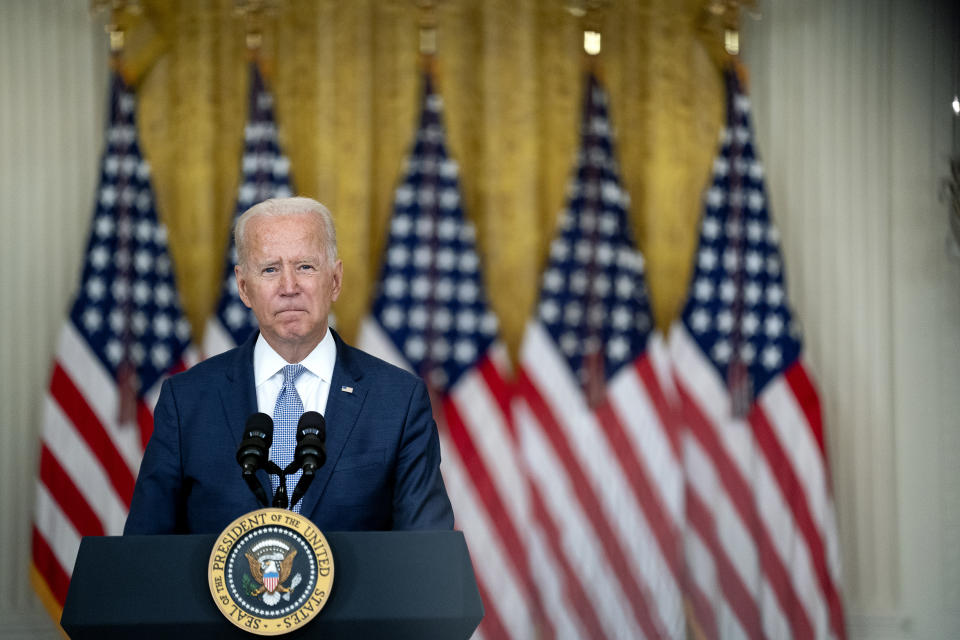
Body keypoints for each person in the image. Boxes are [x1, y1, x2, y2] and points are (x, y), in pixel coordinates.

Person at [124, 197, 454, 534]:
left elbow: (426, 554)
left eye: (305, 266)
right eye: (270, 269)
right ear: (243, 287)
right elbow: (144, 554)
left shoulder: (398, 401)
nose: (289, 287)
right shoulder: (187, 401)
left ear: (335, 280)